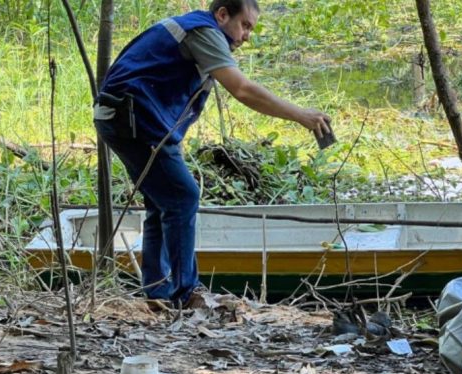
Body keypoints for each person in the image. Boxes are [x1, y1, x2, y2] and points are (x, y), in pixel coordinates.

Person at [93, 0, 330, 308]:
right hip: (133, 118)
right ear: (222, 15)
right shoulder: (205, 33)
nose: (246, 36)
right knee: (183, 196)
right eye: (244, 25)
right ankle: (186, 293)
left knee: (163, 203)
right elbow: (243, 90)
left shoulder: (197, 30)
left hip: (122, 116)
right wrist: (301, 115)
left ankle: (158, 291)